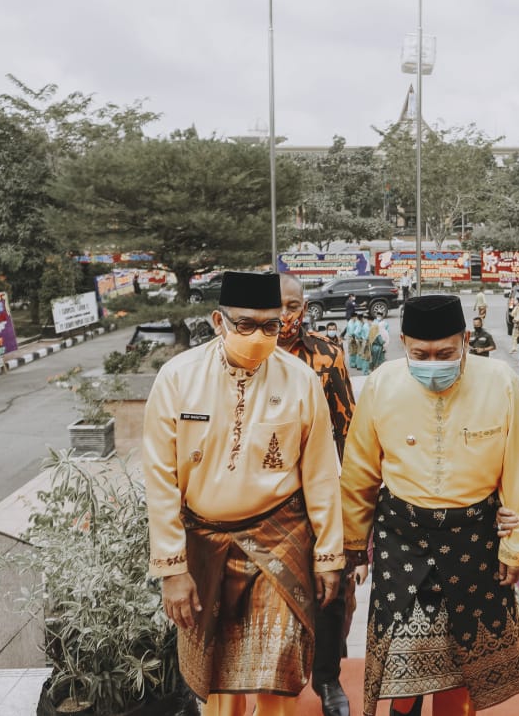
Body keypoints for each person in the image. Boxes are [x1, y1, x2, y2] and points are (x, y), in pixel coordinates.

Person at [142, 271, 344, 716]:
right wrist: (172, 569)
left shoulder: (301, 380)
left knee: (279, 666)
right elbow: (160, 481)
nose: (258, 335)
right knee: (220, 680)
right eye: (245, 324)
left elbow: (322, 475)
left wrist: (329, 556)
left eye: (270, 325)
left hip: (279, 534)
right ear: (219, 320)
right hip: (204, 541)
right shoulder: (178, 378)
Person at [341, 294, 519, 716]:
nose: (433, 362)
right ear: (403, 342)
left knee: (462, 660)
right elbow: (359, 471)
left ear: (466, 339)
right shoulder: (382, 383)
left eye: (446, 353)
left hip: (476, 537)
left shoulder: (502, 382)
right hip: (403, 536)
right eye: (421, 354)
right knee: (404, 657)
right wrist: (353, 546)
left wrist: (518, 548)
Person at [277, 274, 358, 716]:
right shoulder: (250, 355)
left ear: (305, 307)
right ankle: (274, 680)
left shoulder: (327, 355)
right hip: (267, 498)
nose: (285, 316)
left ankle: (327, 679)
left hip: (320, 492)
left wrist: (349, 504)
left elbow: (348, 431)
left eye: (293, 306)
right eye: (277, 307)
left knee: (332, 587)